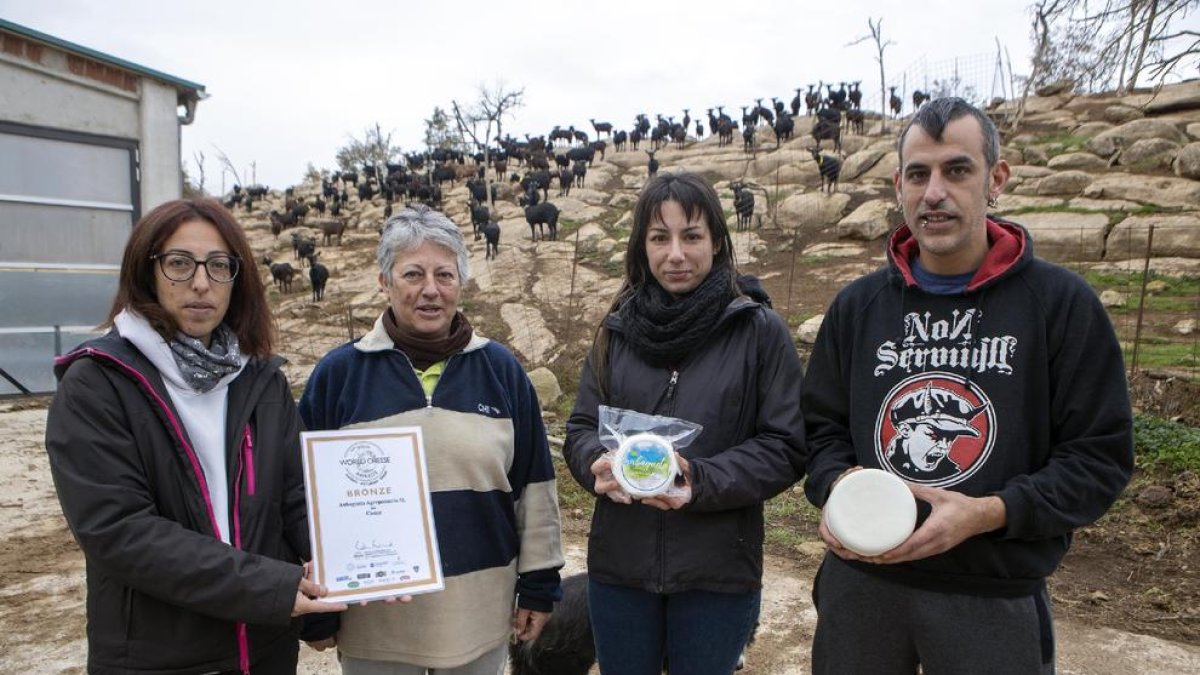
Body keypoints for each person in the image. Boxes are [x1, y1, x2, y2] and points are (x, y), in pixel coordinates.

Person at [802, 97, 1134, 674]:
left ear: (995, 179)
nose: (934, 192)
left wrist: (989, 512)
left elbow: (1099, 457)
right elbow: (818, 429)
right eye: (918, 174)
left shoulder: (1060, 305)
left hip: (991, 597)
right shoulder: (858, 307)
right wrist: (837, 482)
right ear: (898, 187)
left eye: (957, 170)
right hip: (861, 588)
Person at [45, 198, 344, 675]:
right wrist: (269, 587)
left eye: (219, 265)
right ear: (146, 272)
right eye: (180, 263)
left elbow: (296, 498)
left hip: (266, 653)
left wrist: (342, 582)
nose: (202, 283)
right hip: (159, 658)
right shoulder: (97, 384)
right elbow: (120, 530)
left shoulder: (261, 380)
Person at [298, 205, 564, 674]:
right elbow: (303, 498)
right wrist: (317, 611)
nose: (430, 289)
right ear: (384, 282)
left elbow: (535, 488)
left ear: (460, 283)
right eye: (412, 274)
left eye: (445, 274)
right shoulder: (338, 375)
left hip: (479, 617)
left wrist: (539, 587)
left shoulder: (501, 371)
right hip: (376, 627)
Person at [562, 172, 807, 675]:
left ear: (716, 241)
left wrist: (699, 479)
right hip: (620, 570)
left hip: (717, 574)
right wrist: (595, 463)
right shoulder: (616, 331)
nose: (675, 254)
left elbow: (785, 445)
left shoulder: (759, 331)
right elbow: (582, 428)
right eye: (660, 238)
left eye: (691, 236)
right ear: (642, 246)